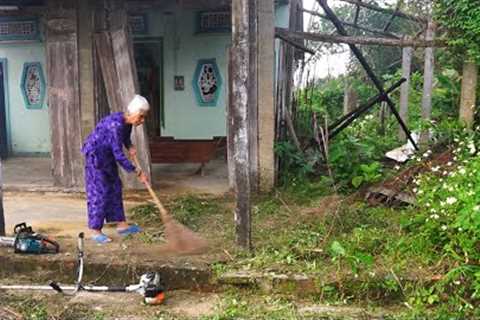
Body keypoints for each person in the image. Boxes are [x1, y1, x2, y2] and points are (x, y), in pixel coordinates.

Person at [81, 95, 150, 244]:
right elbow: (118, 154)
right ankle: (95, 230)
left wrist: (130, 146)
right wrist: (137, 171)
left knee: (115, 187)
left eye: (144, 117)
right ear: (133, 113)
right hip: (96, 157)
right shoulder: (115, 125)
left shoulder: (127, 123)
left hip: (107, 156)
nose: (142, 120)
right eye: (141, 116)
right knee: (99, 191)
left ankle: (122, 225)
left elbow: (125, 138)